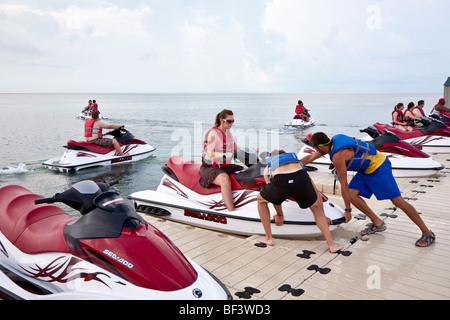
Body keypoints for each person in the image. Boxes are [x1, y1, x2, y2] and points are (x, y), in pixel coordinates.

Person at [301, 132, 436, 247]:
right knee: (353, 195)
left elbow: (344, 184)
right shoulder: (331, 144)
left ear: (317, 146)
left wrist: (347, 210)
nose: (315, 152)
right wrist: (294, 164)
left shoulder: (337, 155)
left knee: (398, 202)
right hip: (365, 169)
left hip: (379, 166)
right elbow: (310, 158)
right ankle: (378, 223)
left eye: (315, 149)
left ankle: (427, 233)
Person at [256, 150, 344, 253]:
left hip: (281, 180)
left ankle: (268, 238)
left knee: (261, 200)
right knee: (315, 207)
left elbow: (274, 198)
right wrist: (323, 215)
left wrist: (280, 215)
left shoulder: (269, 166)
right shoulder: (298, 163)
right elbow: (316, 192)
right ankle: (332, 245)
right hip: (300, 177)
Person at [200, 109, 244, 212]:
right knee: (225, 180)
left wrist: (252, 150)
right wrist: (223, 154)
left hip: (225, 165)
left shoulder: (229, 133)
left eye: (233, 121)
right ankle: (231, 212)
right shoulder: (213, 133)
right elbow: (210, 152)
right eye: (229, 121)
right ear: (222, 120)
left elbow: (237, 149)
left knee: (246, 171)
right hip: (210, 167)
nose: (231, 123)